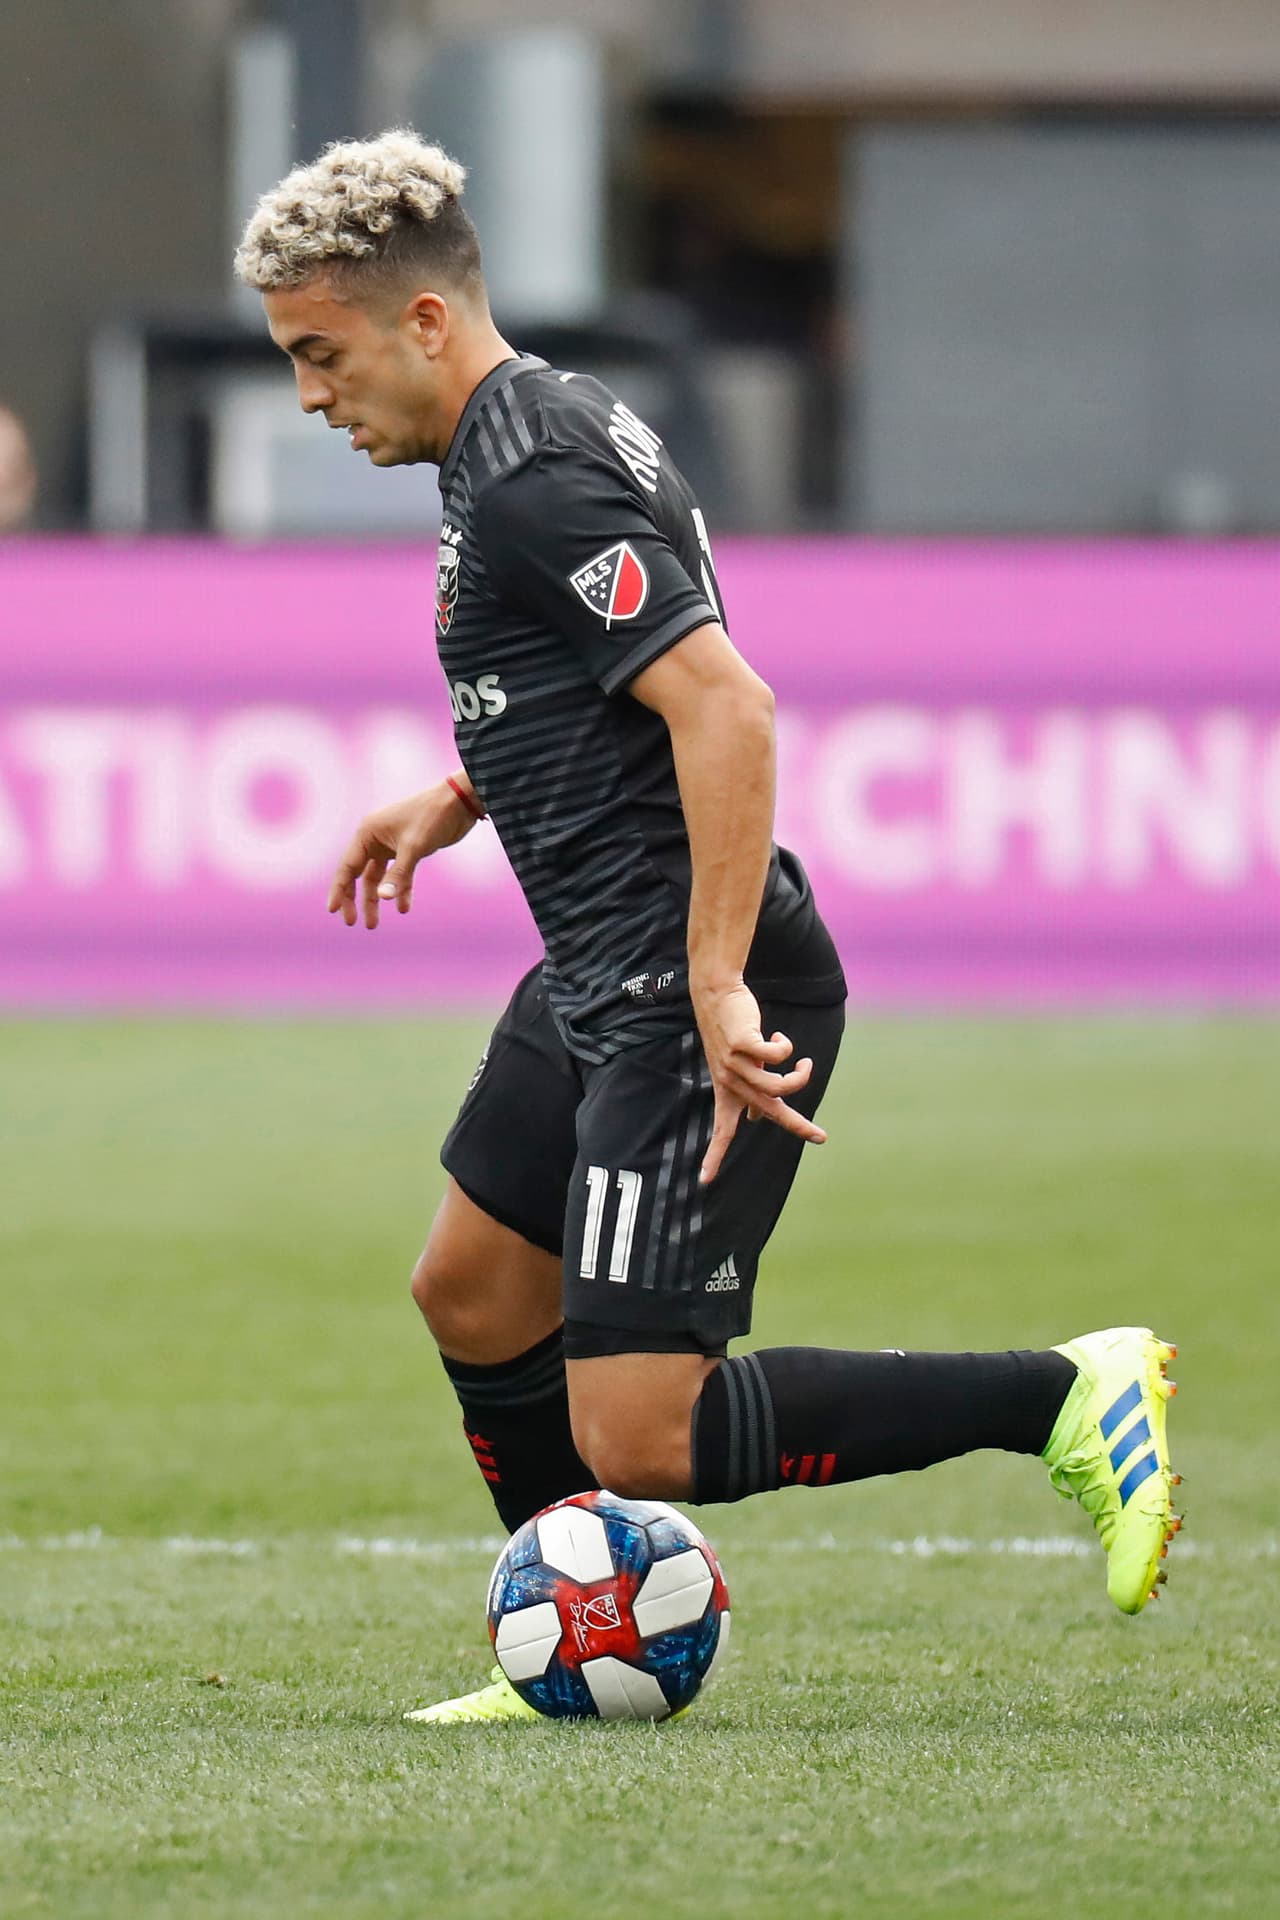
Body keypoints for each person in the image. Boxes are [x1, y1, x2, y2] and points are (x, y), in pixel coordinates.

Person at [234, 131, 1181, 1724]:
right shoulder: (523, 437)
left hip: (680, 977)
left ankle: (1067, 1397)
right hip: (603, 965)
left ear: (422, 323)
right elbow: (593, 671)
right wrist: (462, 792)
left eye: (321, 356)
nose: (312, 398)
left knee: (644, 1435)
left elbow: (726, 707)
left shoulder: (533, 467)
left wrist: (716, 976)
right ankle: (569, 1643)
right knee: (471, 1286)